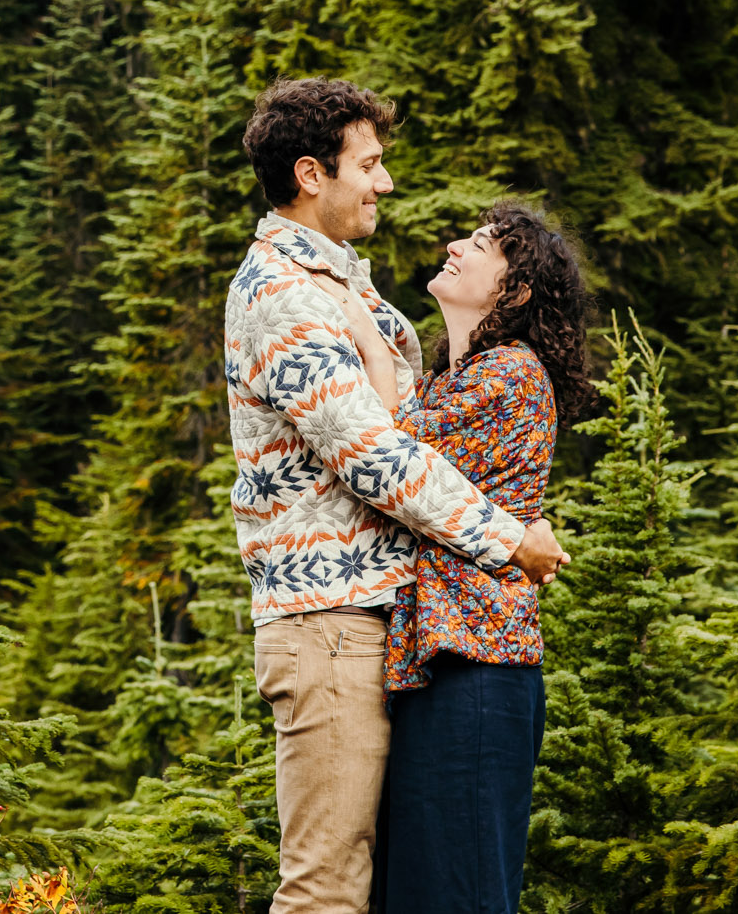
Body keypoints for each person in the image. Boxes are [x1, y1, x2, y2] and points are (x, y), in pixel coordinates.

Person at [225, 80, 569, 914]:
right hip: (330, 625)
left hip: (377, 624)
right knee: (326, 890)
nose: (384, 183)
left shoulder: (342, 285)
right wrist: (507, 537)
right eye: (369, 163)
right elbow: (374, 453)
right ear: (312, 173)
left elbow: (410, 419)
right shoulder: (288, 295)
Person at [333, 200, 597, 914]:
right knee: (419, 890)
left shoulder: (510, 372)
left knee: (460, 893)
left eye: (479, 244)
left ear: (514, 290)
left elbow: (389, 451)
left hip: (478, 668)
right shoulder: (460, 379)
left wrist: (356, 323)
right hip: (438, 664)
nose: (454, 244)